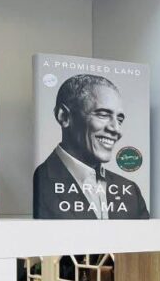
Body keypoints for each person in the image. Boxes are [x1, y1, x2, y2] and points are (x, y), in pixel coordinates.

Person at [33, 73, 149, 220]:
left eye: (119, 120)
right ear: (64, 116)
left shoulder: (131, 192)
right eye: (103, 115)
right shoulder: (38, 184)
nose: (117, 130)